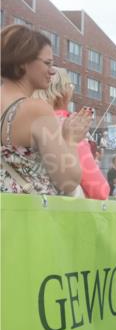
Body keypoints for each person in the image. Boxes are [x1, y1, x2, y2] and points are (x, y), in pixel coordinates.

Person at [0, 24, 87, 195]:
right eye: (47, 63)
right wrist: (71, 139)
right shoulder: (36, 110)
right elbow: (68, 181)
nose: (52, 71)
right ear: (24, 62)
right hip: (25, 216)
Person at [34, 68, 110, 199]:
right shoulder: (70, 126)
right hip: (60, 212)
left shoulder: (26, 121)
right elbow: (99, 190)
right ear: (63, 92)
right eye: (70, 86)